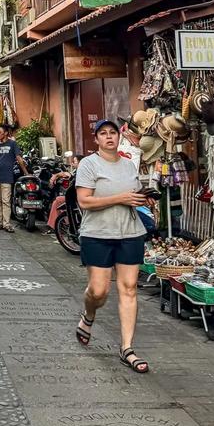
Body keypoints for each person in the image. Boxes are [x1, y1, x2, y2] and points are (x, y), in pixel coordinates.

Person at [74, 118, 150, 374]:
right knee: (99, 291)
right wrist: (121, 198)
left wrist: (143, 200)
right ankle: (88, 315)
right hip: (97, 233)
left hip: (130, 231)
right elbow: (84, 201)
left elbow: (133, 195)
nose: (109, 137)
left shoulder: (129, 166)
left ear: (119, 138)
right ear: (96, 139)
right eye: (103, 133)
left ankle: (127, 348)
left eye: (113, 133)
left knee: (129, 288)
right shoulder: (88, 164)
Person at [0, 123, 28, 232]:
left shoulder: (12, 144)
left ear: (6, 133)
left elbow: (19, 158)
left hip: (7, 176)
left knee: (6, 200)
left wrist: (26, 172)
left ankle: (6, 224)